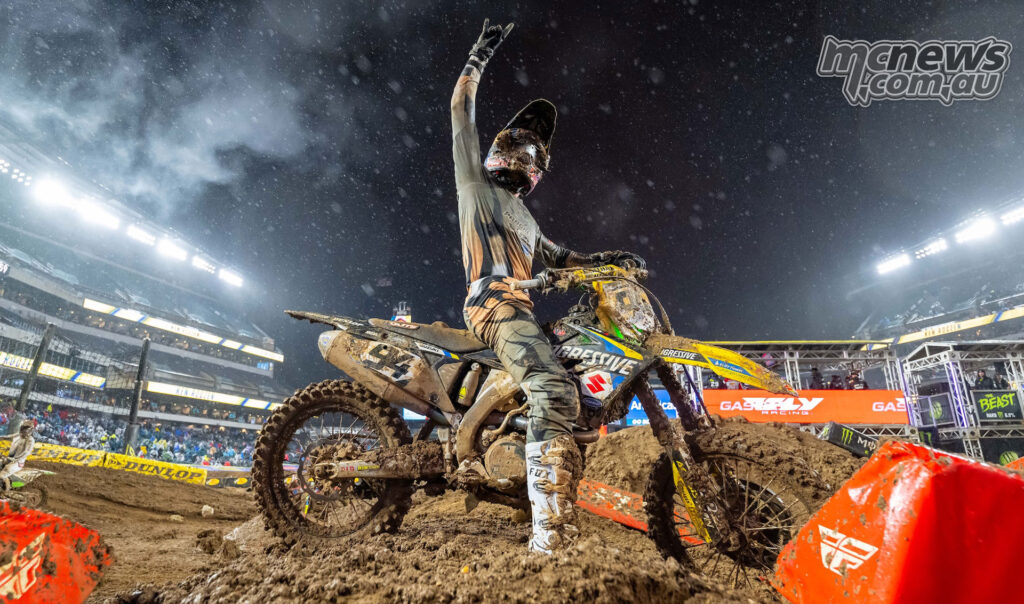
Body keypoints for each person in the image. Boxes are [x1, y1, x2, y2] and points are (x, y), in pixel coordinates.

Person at [451, 20, 644, 554]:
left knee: (577, 382)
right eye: (522, 145)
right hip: (492, 304)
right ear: (500, 152)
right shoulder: (475, 186)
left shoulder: (527, 221)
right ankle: (549, 539)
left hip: (521, 310)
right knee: (553, 389)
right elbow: (459, 113)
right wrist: (482, 51)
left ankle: (523, 461)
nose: (528, 155)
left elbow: (565, 258)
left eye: (535, 150)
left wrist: (609, 260)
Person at [1, 420, 36, 491]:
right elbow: (7, 437)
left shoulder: (30, 440)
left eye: (25, 428)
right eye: (22, 428)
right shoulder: (18, 435)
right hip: (10, 459)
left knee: (2, 475)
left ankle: (4, 493)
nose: (23, 430)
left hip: (18, 462)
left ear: (29, 430)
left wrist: (17, 459)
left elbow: (27, 452)